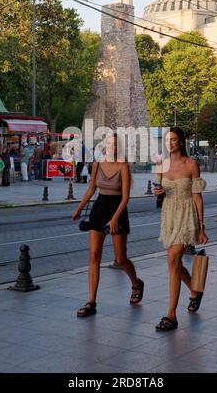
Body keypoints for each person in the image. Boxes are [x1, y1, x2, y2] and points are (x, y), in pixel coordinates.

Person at [72, 133, 144, 317]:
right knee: (94, 255)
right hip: (99, 209)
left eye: (115, 145)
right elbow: (91, 189)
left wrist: (114, 219)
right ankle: (91, 302)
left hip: (117, 210)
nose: (111, 148)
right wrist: (79, 209)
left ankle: (136, 283)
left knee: (120, 259)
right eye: (109, 144)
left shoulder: (123, 167)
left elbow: (126, 197)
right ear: (104, 147)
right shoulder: (97, 164)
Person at [154, 127, 208, 332]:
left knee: (173, 260)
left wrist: (202, 227)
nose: (170, 143)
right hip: (168, 215)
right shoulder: (160, 165)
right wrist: (157, 192)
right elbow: (158, 193)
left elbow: (197, 197)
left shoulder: (191, 164)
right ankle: (195, 290)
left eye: (174, 140)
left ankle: (171, 315)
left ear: (181, 142)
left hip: (186, 215)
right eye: (168, 140)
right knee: (175, 264)